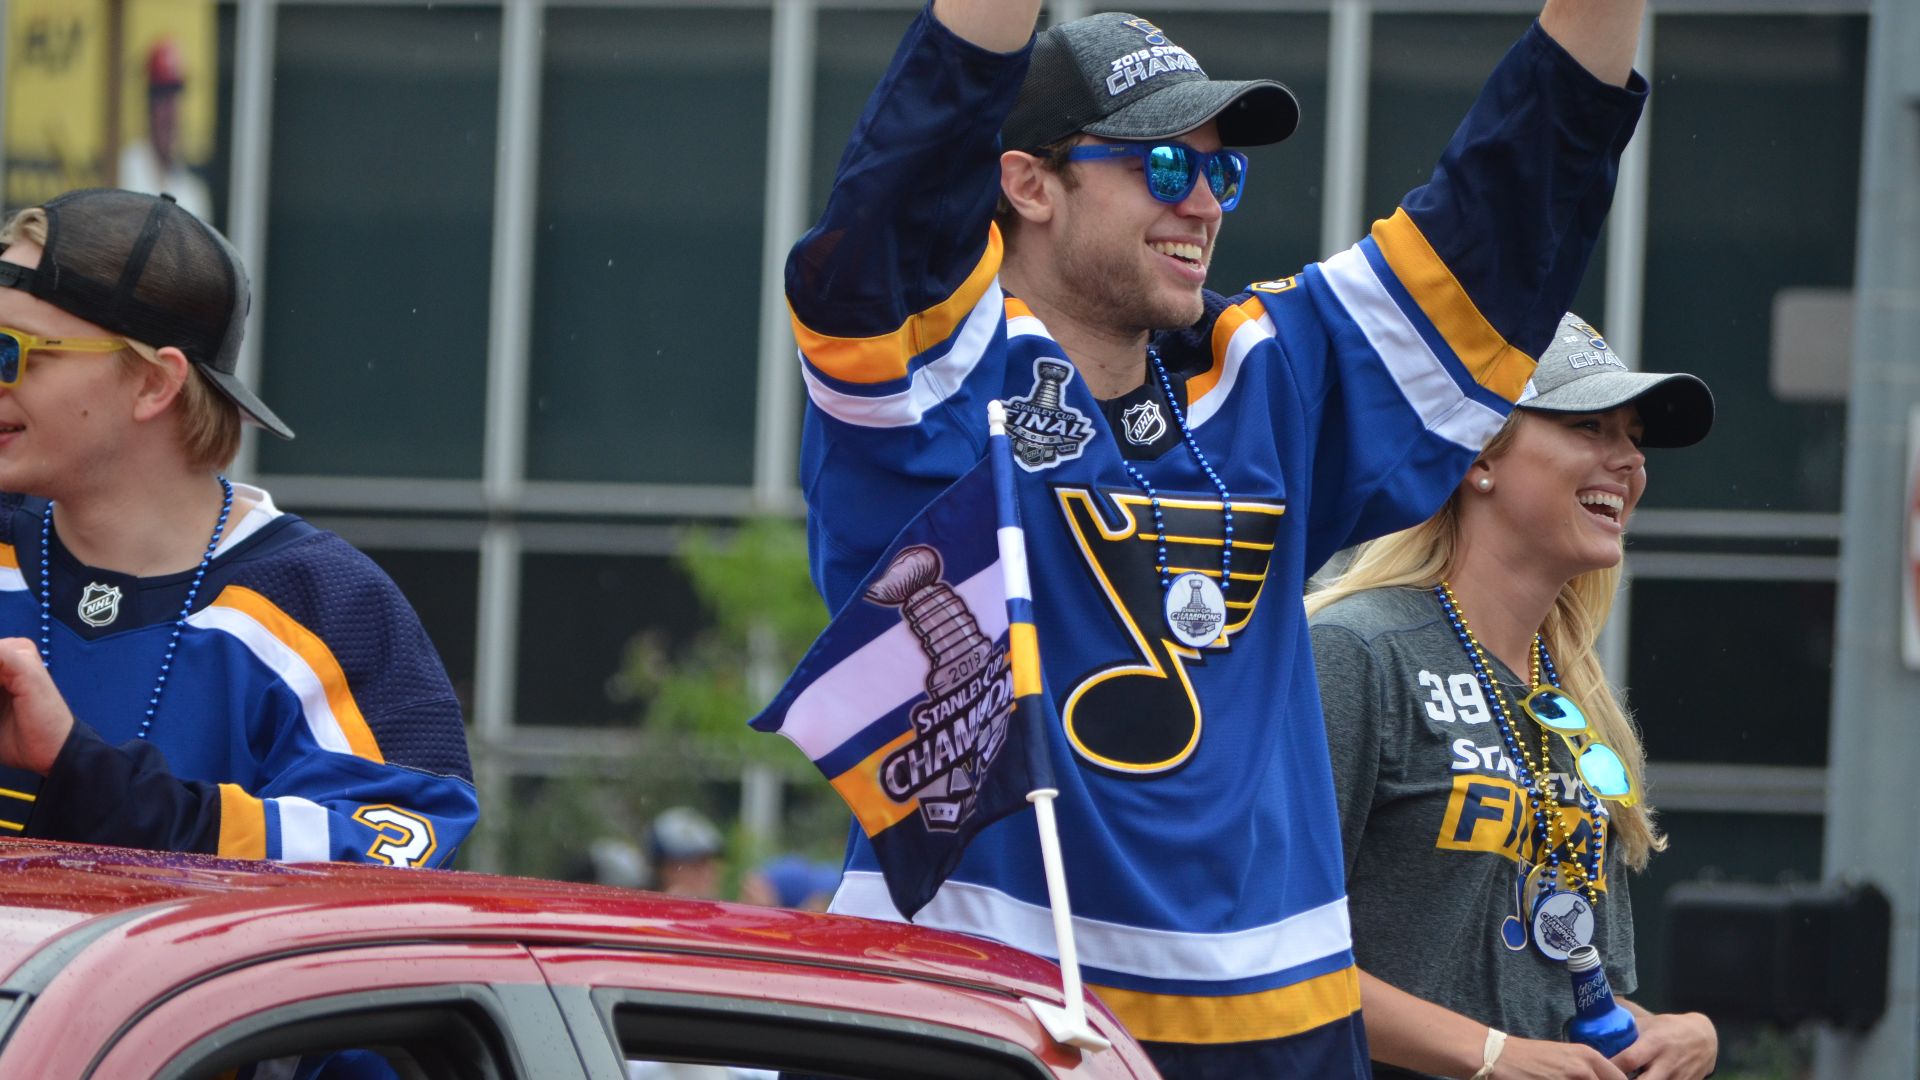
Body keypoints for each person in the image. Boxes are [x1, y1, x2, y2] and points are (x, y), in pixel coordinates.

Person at [785, 0, 1646, 1074]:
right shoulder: (935, 391)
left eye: (1220, 175)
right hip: (983, 1029)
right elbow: (907, 182)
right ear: (1028, 183)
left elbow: (1512, 196)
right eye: (1160, 167)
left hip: (1268, 1046)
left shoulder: (1265, 376)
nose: (1201, 202)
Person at [0, 189, 477, 870]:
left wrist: (87, 773)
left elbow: (396, 861)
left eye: (11, 350)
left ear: (152, 385)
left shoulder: (326, 605)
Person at [1307, 315, 1720, 1080]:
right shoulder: (1356, 651)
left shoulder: (1577, 698)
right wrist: (1489, 1055)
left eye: (1632, 436)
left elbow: (1555, 989)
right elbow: (1268, 946)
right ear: (1477, 457)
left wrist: (1672, 1031)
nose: (1628, 460)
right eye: (1589, 426)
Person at [117, 40, 214, 222]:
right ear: (148, 105)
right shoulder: (124, 168)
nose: (170, 114)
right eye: (163, 99)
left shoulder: (193, 192)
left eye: (174, 99)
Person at [648, 805, 724, 898]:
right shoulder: (641, 910)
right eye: (695, 866)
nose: (708, 875)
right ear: (665, 870)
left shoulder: (728, 910)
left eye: (710, 864)